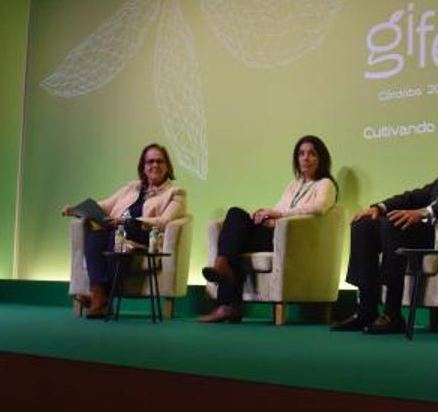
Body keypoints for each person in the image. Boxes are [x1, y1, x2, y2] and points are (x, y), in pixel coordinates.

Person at [332, 117, 438, 335]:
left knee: (394, 226)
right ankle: (365, 311)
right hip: (421, 230)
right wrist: (380, 207)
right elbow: (417, 195)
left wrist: (427, 211)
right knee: (364, 225)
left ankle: (392, 314)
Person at [198, 135, 338, 323]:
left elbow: (318, 207)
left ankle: (226, 296)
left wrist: (278, 215)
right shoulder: (294, 184)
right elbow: (279, 208)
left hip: (293, 241)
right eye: (301, 154)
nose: (306, 158)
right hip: (276, 234)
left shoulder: (326, 184)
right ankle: (226, 292)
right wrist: (264, 214)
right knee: (236, 216)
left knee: (234, 236)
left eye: (312, 154)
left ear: (321, 158)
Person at [63, 143, 187, 319]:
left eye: (160, 161)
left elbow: (164, 222)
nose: (155, 165)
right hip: (119, 231)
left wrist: (127, 221)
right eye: (150, 161)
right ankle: (99, 295)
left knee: (119, 233)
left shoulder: (176, 193)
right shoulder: (132, 187)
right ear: (143, 167)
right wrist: (77, 210)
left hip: (145, 235)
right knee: (96, 237)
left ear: (167, 167)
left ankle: (99, 299)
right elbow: (105, 205)